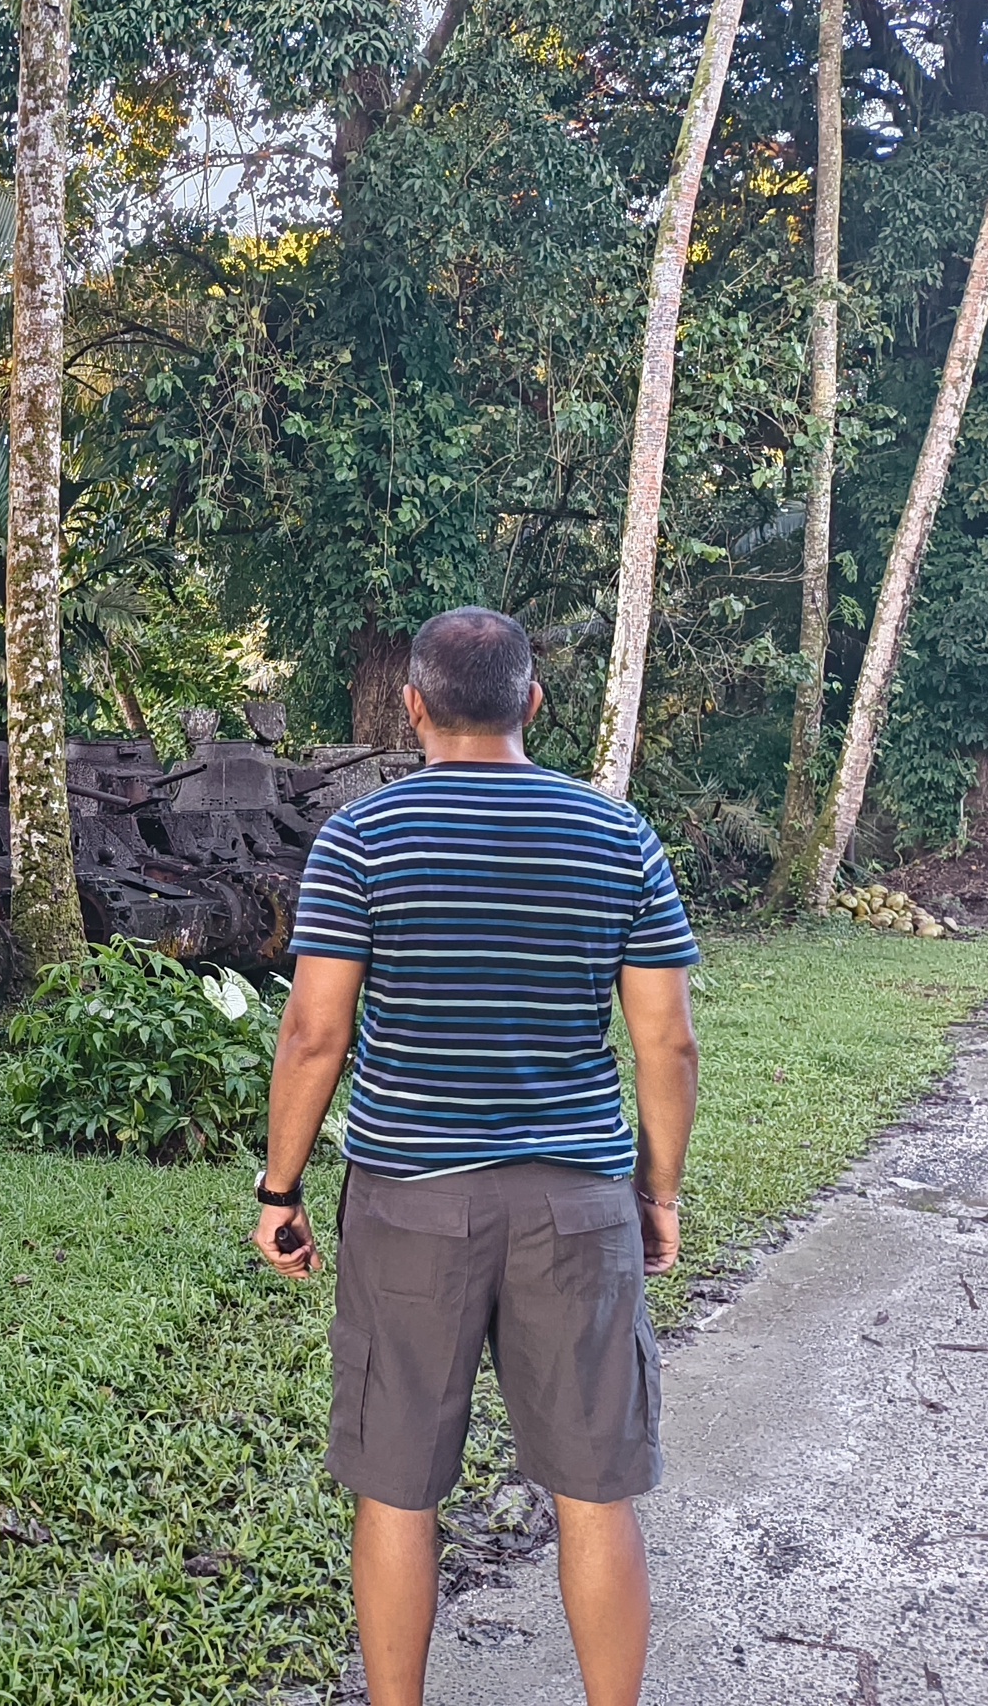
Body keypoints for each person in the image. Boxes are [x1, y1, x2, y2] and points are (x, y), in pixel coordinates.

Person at [254, 606, 701, 1706]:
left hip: (410, 1205)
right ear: (530, 702)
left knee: (397, 1491)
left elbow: (313, 1033)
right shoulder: (617, 835)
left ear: (411, 706)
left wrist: (279, 1186)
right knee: (594, 1494)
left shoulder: (363, 838)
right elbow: (667, 1041)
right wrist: (657, 1192)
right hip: (578, 1207)